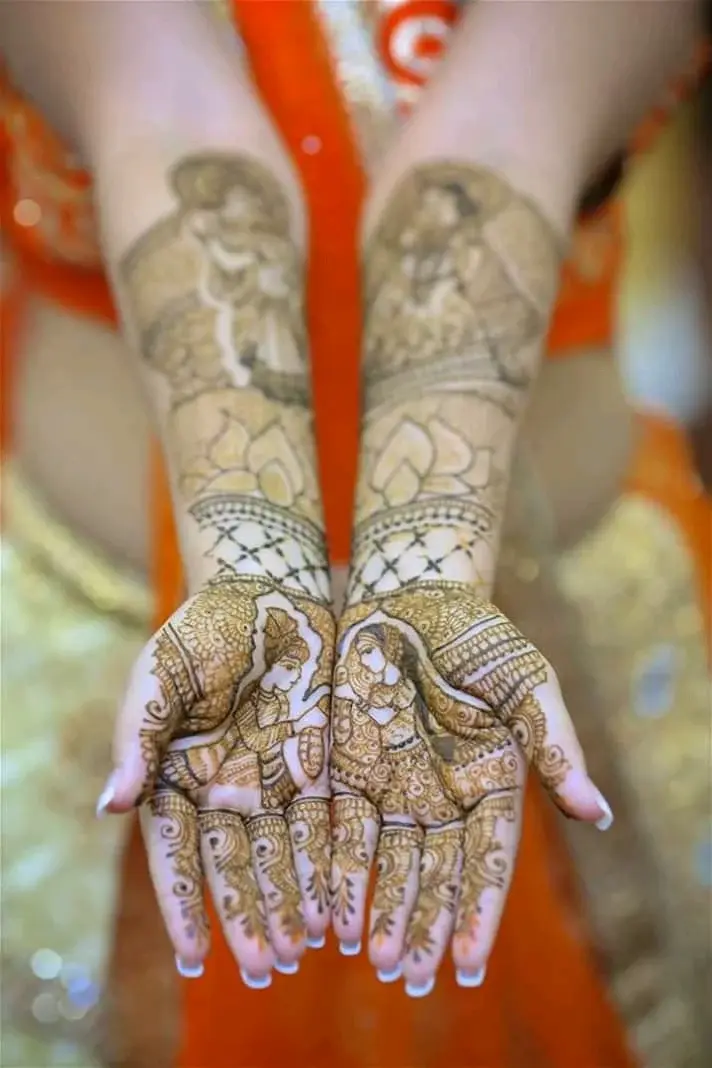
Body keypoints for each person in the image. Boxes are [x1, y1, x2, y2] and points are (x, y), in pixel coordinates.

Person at [0, 2, 709, 1067]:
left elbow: (497, 146)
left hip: (587, 667)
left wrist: (423, 569)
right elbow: (166, 117)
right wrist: (254, 565)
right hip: (72, 659)